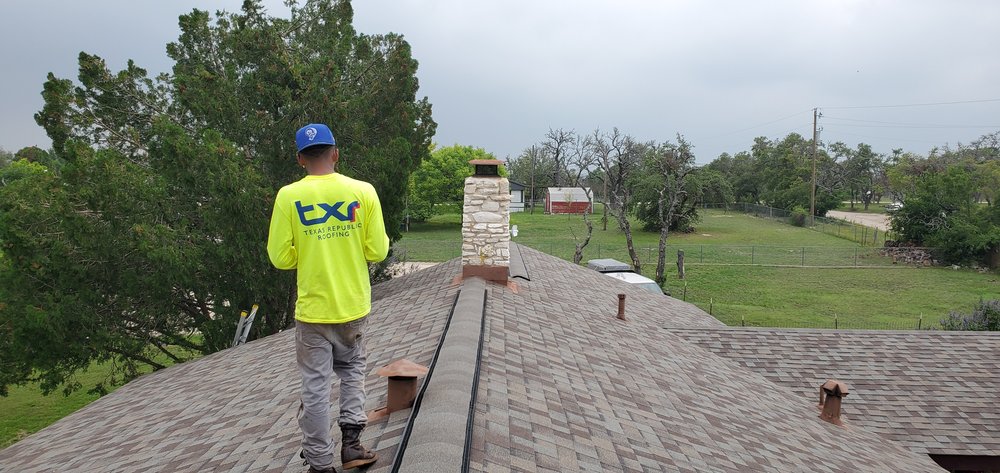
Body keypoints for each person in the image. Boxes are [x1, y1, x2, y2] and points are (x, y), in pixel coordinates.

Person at [267, 123, 389, 473]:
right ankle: (352, 446)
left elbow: (279, 257)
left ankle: (320, 464)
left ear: (300, 159)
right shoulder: (362, 191)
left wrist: (307, 251)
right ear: (335, 153)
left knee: (315, 386)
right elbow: (377, 250)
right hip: (352, 307)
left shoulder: (288, 196)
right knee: (352, 372)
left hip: (313, 311)